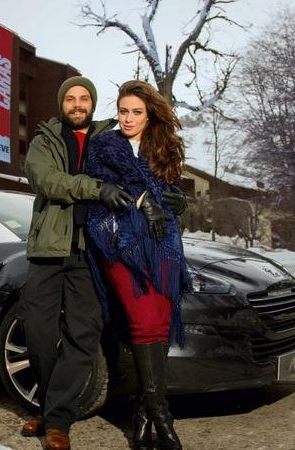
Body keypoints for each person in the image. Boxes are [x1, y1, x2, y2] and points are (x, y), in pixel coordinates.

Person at [19, 76, 133, 450]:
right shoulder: (44, 141)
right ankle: (51, 407)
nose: (78, 104)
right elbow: (48, 181)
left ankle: (57, 421)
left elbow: (134, 178)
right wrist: (96, 189)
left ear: (93, 103)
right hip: (47, 251)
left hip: (90, 253)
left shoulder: (109, 142)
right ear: (61, 103)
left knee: (82, 338)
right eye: (70, 98)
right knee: (37, 332)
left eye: (84, 98)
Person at [84, 80, 190, 450]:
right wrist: (141, 200)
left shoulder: (162, 149)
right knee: (144, 320)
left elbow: (172, 194)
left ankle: (143, 418)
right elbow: (100, 196)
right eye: (123, 111)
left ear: (150, 114)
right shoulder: (103, 147)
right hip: (120, 245)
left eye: (136, 112)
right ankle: (163, 415)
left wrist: (177, 203)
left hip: (161, 246)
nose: (128, 118)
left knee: (159, 323)